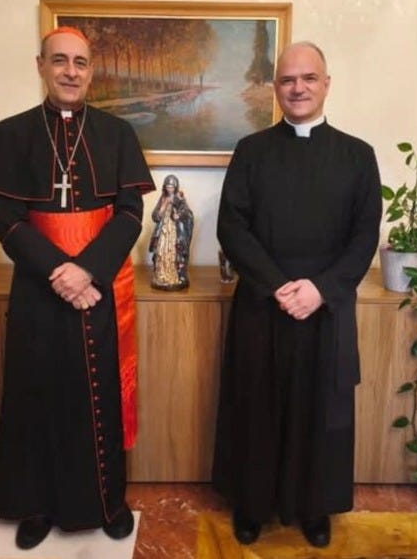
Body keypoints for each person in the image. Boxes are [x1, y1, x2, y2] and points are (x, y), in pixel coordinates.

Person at [0, 26, 155, 550]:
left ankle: (108, 503)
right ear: (41, 66)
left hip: (98, 286)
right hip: (38, 286)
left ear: (90, 71)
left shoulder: (117, 133)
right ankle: (36, 507)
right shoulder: (11, 134)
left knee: (99, 396)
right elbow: (7, 220)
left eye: (80, 62)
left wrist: (88, 271)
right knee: (37, 397)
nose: (70, 72)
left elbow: (129, 213)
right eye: (59, 61)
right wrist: (60, 272)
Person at [212, 41, 382, 548]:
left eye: (309, 78)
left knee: (320, 412)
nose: (298, 87)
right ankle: (252, 505)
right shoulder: (251, 151)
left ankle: (314, 507)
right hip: (263, 303)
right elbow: (232, 226)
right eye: (287, 79)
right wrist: (278, 286)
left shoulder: (358, 155)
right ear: (275, 88)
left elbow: (364, 236)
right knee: (256, 407)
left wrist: (320, 289)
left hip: (326, 307)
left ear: (326, 84)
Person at [148, 174, 194, 290]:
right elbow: (155, 216)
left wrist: (179, 215)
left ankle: (174, 275)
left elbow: (187, 213)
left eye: (172, 187)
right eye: (168, 186)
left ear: (175, 187)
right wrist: (163, 206)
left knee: (174, 251)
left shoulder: (180, 198)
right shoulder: (162, 198)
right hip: (163, 229)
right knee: (161, 251)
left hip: (174, 230)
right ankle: (161, 274)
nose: (170, 189)